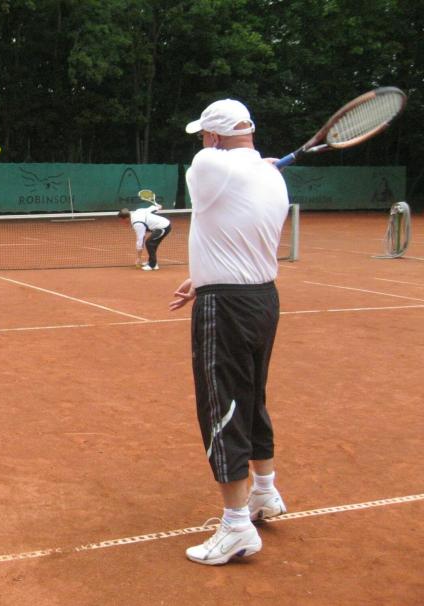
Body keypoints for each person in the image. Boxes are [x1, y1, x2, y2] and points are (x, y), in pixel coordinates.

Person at [168, 99, 289, 565]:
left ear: (214, 138)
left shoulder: (207, 164)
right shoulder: (272, 177)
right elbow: (237, 229)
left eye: (204, 135)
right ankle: (265, 491)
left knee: (221, 406)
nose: (201, 142)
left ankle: (237, 526)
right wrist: (201, 276)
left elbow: (216, 192)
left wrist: (211, 283)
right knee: (252, 396)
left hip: (227, 307)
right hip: (262, 299)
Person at [118, 205, 172, 270]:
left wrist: (138, 258)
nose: (121, 222)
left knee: (149, 243)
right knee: (152, 243)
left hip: (163, 227)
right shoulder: (138, 211)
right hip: (163, 224)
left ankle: (153, 265)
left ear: (126, 218)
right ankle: (151, 262)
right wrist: (157, 207)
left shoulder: (137, 223)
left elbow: (140, 239)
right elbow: (151, 208)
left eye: (121, 220)